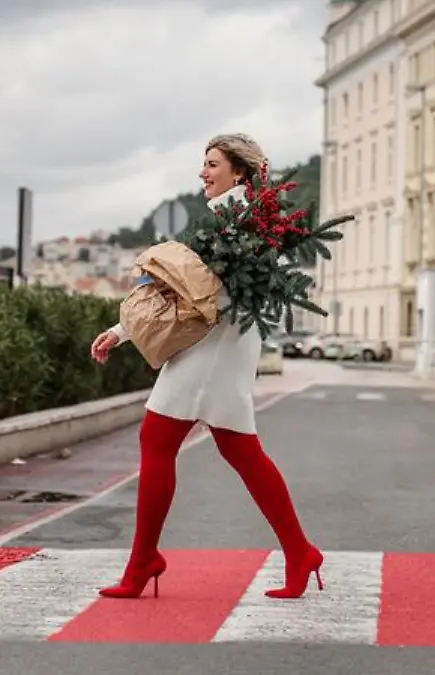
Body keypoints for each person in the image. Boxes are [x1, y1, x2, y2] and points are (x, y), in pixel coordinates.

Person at [89, 133, 323, 600]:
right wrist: (122, 330)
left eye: (212, 163)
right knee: (240, 451)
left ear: (238, 172)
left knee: (158, 439)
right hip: (224, 347)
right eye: (204, 163)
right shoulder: (236, 218)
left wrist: (124, 329)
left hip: (213, 348)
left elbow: (195, 294)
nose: (203, 172)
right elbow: (186, 289)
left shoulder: (240, 221)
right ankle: (300, 552)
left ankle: (142, 564)